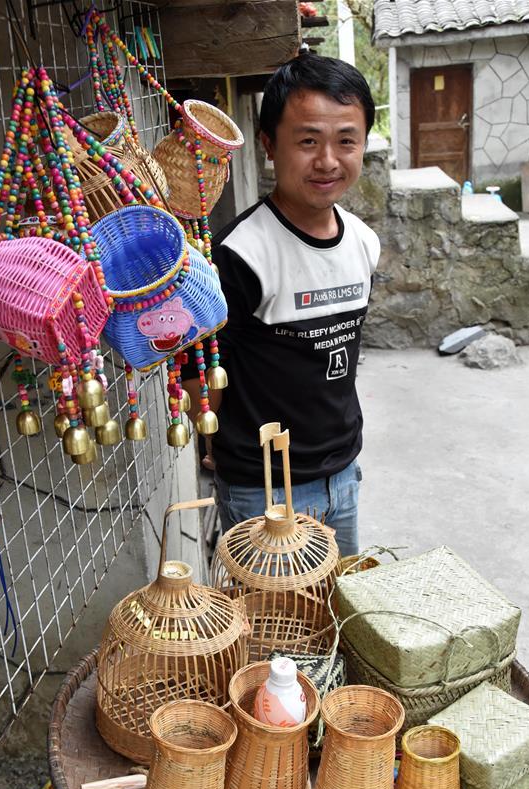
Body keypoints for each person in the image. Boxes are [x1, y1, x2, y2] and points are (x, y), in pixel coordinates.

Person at [183, 53, 380, 557]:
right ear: (270, 144)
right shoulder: (238, 255)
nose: (328, 161)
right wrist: (216, 444)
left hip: (343, 474)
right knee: (278, 634)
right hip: (265, 494)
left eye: (346, 140)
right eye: (308, 140)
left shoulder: (362, 242)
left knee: (338, 621)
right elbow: (200, 376)